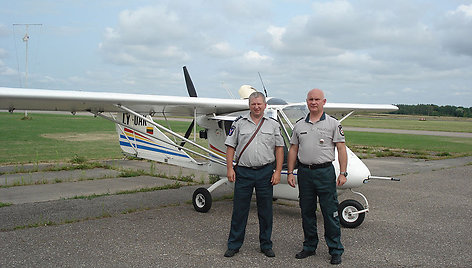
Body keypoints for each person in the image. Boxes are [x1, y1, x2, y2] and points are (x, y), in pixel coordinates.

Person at [286, 88, 348, 265]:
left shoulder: (333, 124)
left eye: (317, 99)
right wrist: (290, 172)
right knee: (307, 212)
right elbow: (293, 149)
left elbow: (341, 148)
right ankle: (309, 246)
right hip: (304, 173)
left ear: (324, 102)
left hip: (325, 173)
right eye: (310, 99)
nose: (313, 102)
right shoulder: (299, 125)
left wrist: (343, 173)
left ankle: (335, 249)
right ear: (307, 102)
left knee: (330, 213)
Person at [224, 91, 284, 258]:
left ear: (265, 105)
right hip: (243, 172)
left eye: (259, 104)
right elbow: (230, 147)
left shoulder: (273, 125)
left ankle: (266, 245)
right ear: (249, 105)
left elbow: (279, 148)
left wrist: (277, 171)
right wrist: (230, 169)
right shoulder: (239, 123)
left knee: (265, 211)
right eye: (253, 104)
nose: (256, 107)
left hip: (265, 172)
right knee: (239, 211)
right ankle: (234, 244)